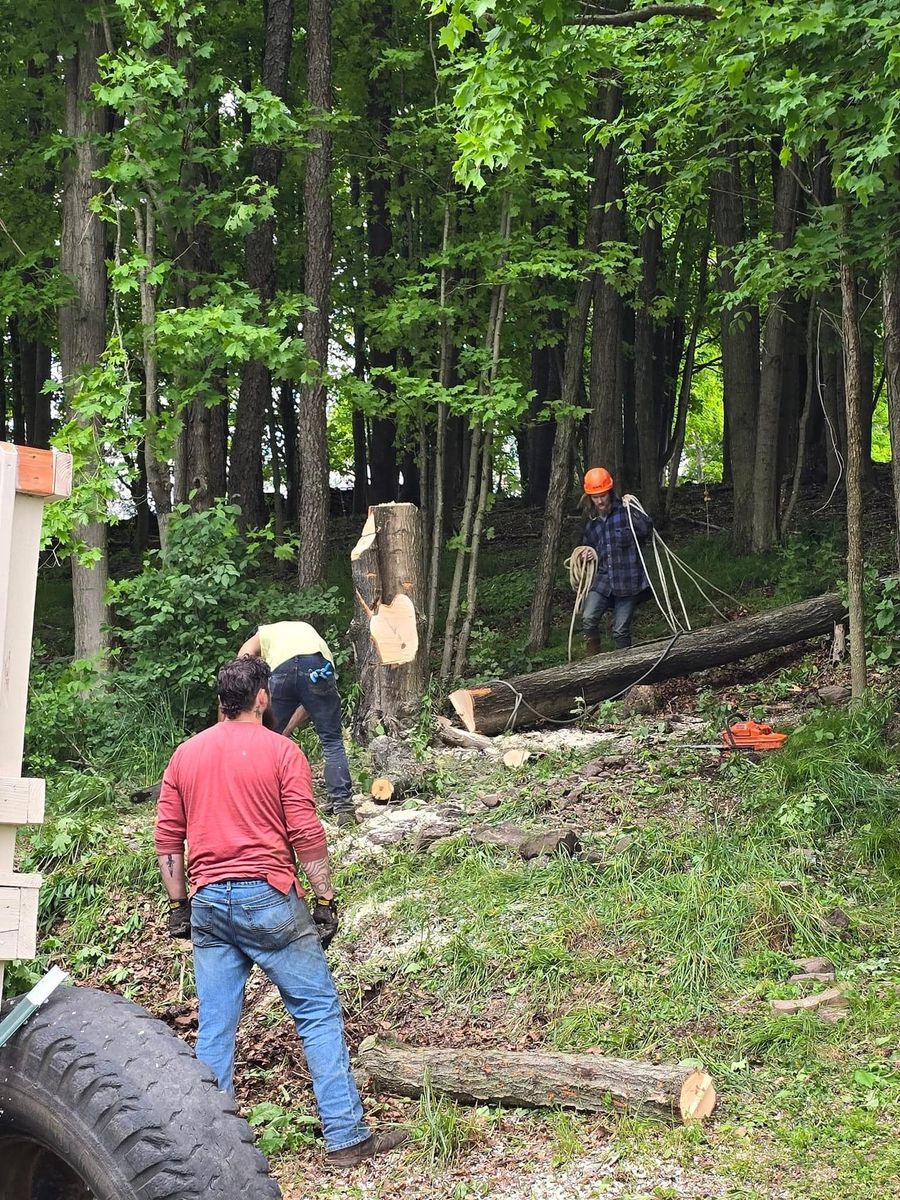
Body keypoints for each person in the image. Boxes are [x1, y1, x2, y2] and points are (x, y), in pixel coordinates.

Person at [155, 656, 406, 1169]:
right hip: (268, 896)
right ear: (263, 697)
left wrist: (179, 905)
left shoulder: (185, 754)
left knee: (216, 1027)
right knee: (315, 1012)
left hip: (208, 902)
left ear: (219, 701)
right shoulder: (282, 751)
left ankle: (210, 1154)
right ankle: (346, 1137)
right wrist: (325, 900)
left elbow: (167, 840)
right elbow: (306, 834)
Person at [237, 621, 356, 827]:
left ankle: (255, 803)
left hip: (283, 670)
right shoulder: (304, 632)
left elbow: (241, 663)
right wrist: (283, 731)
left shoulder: (263, 634)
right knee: (331, 740)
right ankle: (343, 807)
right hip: (319, 668)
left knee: (260, 742)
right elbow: (309, 703)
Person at [574, 467, 653, 655]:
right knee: (588, 618)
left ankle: (624, 671)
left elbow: (646, 529)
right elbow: (589, 546)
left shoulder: (625, 512)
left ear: (609, 492)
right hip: (603, 581)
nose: (600, 501)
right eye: (595, 497)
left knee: (620, 631)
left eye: (603, 495)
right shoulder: (592, 523)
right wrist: (588, 554)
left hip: (628, 581)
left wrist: (633, 509)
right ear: (590, 498)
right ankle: (594, 663)